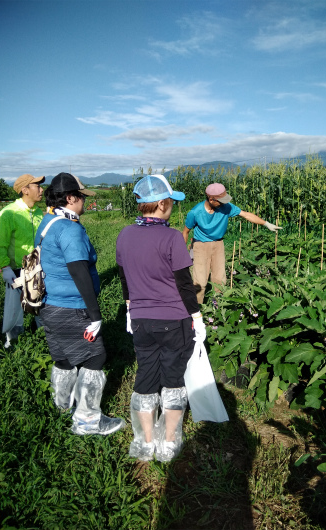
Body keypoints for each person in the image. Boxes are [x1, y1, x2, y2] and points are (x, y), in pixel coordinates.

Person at [116, 174, 206, 462]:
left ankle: (144, 442)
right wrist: (197, 316)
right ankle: (169, 441)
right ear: (163, 203)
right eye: (171, 203)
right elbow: (183, 283)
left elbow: (124, 277)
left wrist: (131, 308)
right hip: (173, 319)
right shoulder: (171, 238)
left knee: (145, 374)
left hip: (141, 319)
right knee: (173, 378)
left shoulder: (125, 234)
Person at [36, 172, 125, 436]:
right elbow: (78, 271)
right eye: (82, 197)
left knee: (63, 357)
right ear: (71, 197)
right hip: (72, 306)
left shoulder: (48, 221)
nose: (84, 202)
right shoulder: (70, 229)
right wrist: (95, 315)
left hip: (49, 305)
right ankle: (87, 421)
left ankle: (62, 403)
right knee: (95, 357)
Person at [182, 182, 282, 304]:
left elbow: (246, 215)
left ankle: (218, 309)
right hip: (200, 246)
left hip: (218, 244)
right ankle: (196, 311)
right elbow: (186, 231)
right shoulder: (195, 212)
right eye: (221, 200)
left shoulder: (227, 207)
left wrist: (266, 224)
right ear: (211, 199)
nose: (224, 202)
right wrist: (182, 252)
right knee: (200, 282)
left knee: (220, 280)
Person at [0, 173, 45, 346]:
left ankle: (43, 339)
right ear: (25, 190)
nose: (41, 189)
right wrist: (5, 266)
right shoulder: (8, 214)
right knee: (14, 309)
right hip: (15, 270)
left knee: (39, 303)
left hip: (36, 269)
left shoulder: (39, 212)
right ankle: (13, 343)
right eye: (37, 186)